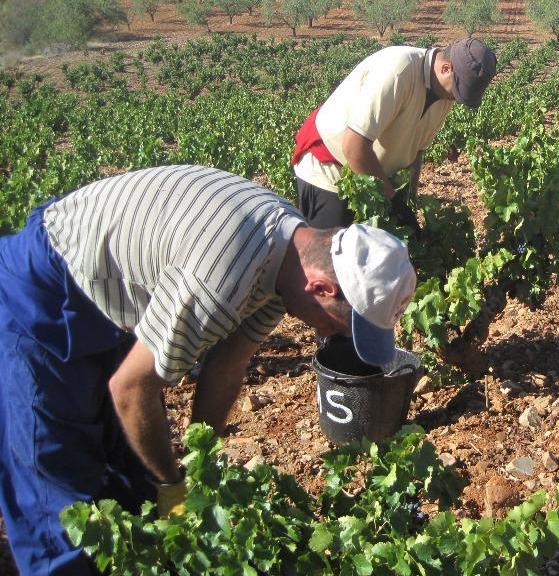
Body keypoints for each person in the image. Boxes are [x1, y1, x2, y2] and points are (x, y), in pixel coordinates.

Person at [0, 165, 416, 575]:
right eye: (339, 326)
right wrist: (172, 484)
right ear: (322, 288)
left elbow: (226, 368)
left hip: (109, 297)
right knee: (57, 495)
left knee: (127, 471)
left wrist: (200, 468)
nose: (327, 334)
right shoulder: (219, 278)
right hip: (45, 291)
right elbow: (131, 389)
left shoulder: (289, 260)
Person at [291, 37, 497, 230]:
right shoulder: (398, 71)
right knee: (332, 253)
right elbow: (354, 147)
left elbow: (416, 151)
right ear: (446, 68)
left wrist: (408, 203)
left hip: (372, 181)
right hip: (330, 171)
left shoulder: (446, 92)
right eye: (457, 92)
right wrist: (393, 203)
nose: (455, 100)